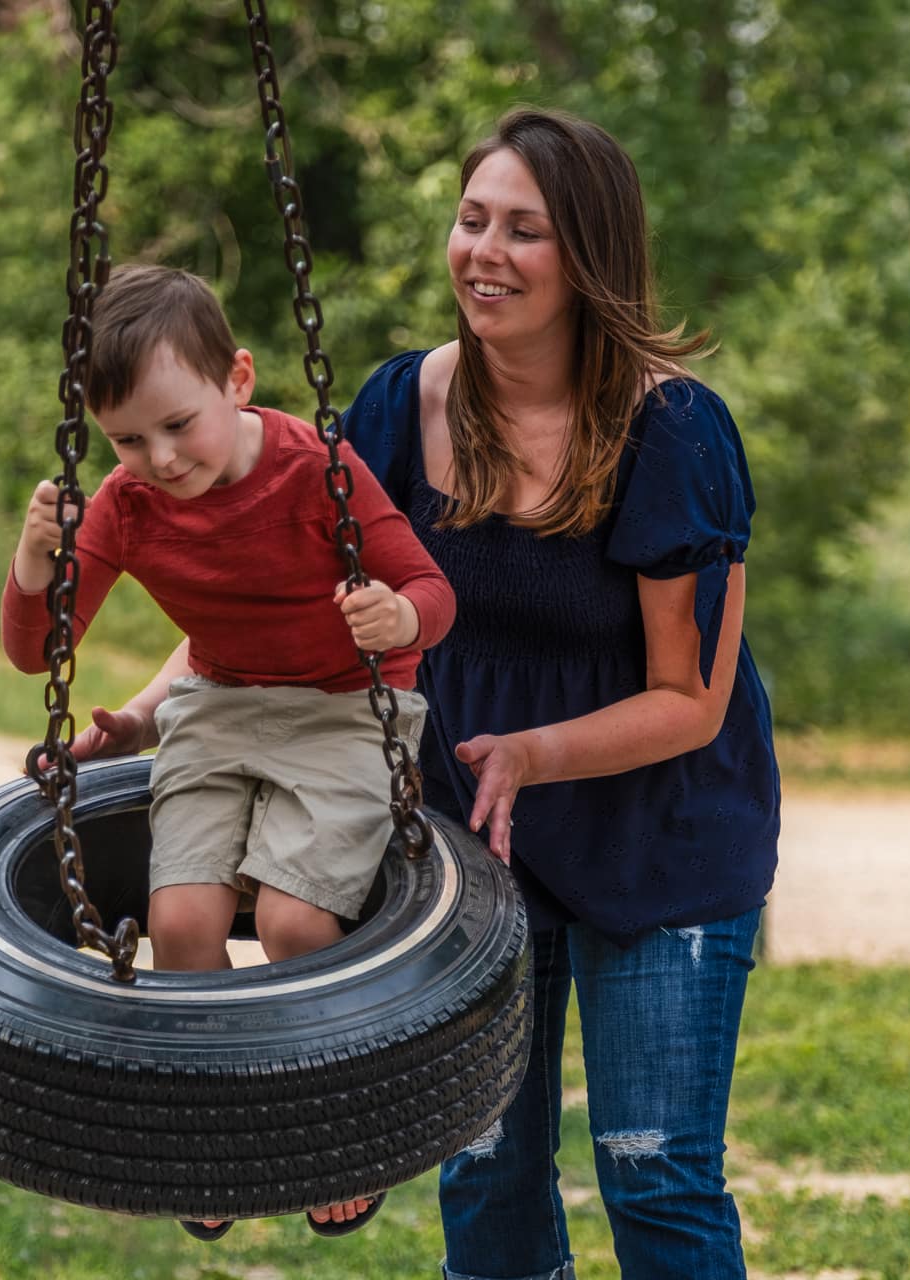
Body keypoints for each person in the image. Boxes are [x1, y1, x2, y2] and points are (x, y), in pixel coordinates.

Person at [334, 108, 783, 1279]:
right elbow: (286, 596)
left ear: (587, 256)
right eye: (472, 219)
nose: (485, 251)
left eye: (524, 230)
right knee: (484, 1171)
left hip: (661, 824)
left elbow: (690, 696)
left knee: (654, 1171)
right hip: (477, 837)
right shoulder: (401, 406)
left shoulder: (672, 429)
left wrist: (530, 750)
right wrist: (145, 706)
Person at [0, 263, 454, 1240]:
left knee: (294, 921)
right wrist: (36, 557)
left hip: (341, 706)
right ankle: (212, 1135)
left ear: (237, 380)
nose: (157, 456)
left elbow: (430, 585)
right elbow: (41, 648)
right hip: (219, 700)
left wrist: (397, 610)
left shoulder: (314, 467)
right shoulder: (125, 502)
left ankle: (337, 1131)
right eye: (127, 438)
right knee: (181, 916)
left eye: (178, 424)